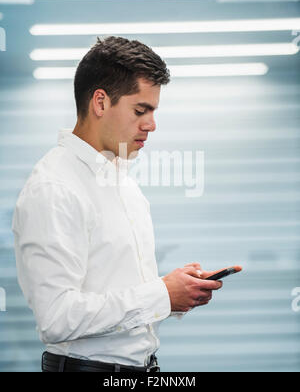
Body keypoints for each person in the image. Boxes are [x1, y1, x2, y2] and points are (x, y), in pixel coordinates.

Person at [12, 36, 222, 372]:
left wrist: (174, 291)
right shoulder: (53, 188)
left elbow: (120, 292)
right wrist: (160, 295)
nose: (151, 124)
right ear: (100, 102)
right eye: (141, 110)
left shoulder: (122, 181)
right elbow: (56, 317)